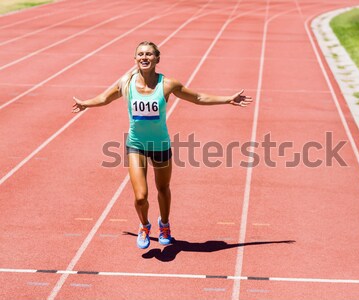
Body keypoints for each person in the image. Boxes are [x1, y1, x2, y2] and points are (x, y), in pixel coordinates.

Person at [72, 41, 252, 249]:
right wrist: (86, 103)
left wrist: (227, 99)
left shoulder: (167, 84)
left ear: (157, 58)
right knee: (140, 197)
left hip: (160, 146)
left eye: (149, 54)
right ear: (135, 59)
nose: (144, 57)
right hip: (136, 145)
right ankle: (144, 225)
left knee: (163, 188)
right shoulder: (126, 83)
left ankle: (164, 224)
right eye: (140, 54)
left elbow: (198, 97)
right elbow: (104, 98)